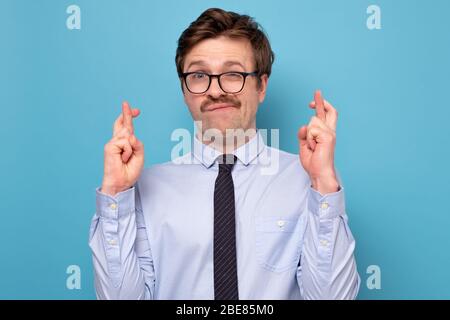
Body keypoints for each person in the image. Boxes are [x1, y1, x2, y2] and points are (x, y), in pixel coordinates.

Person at [89, 7, 360, 300]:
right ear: (184, 89)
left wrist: (323, 184)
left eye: (233, 74)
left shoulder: (308, 181)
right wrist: (116, 193)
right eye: (199, 75)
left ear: (261, 86)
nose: (216, 90)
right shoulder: (144, 188)